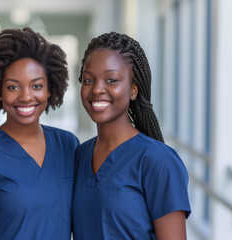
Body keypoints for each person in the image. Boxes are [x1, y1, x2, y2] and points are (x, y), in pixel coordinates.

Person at [0, 27, 79, 240]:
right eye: (13, 87)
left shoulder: (68, 146)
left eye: (37, 86)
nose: (26, 97)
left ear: (50, 90)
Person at [72, 32, 191, 240]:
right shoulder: (81, 155)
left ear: (133, 90)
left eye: (111, 80)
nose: (97, 89)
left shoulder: (158, 161)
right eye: (89, 80)